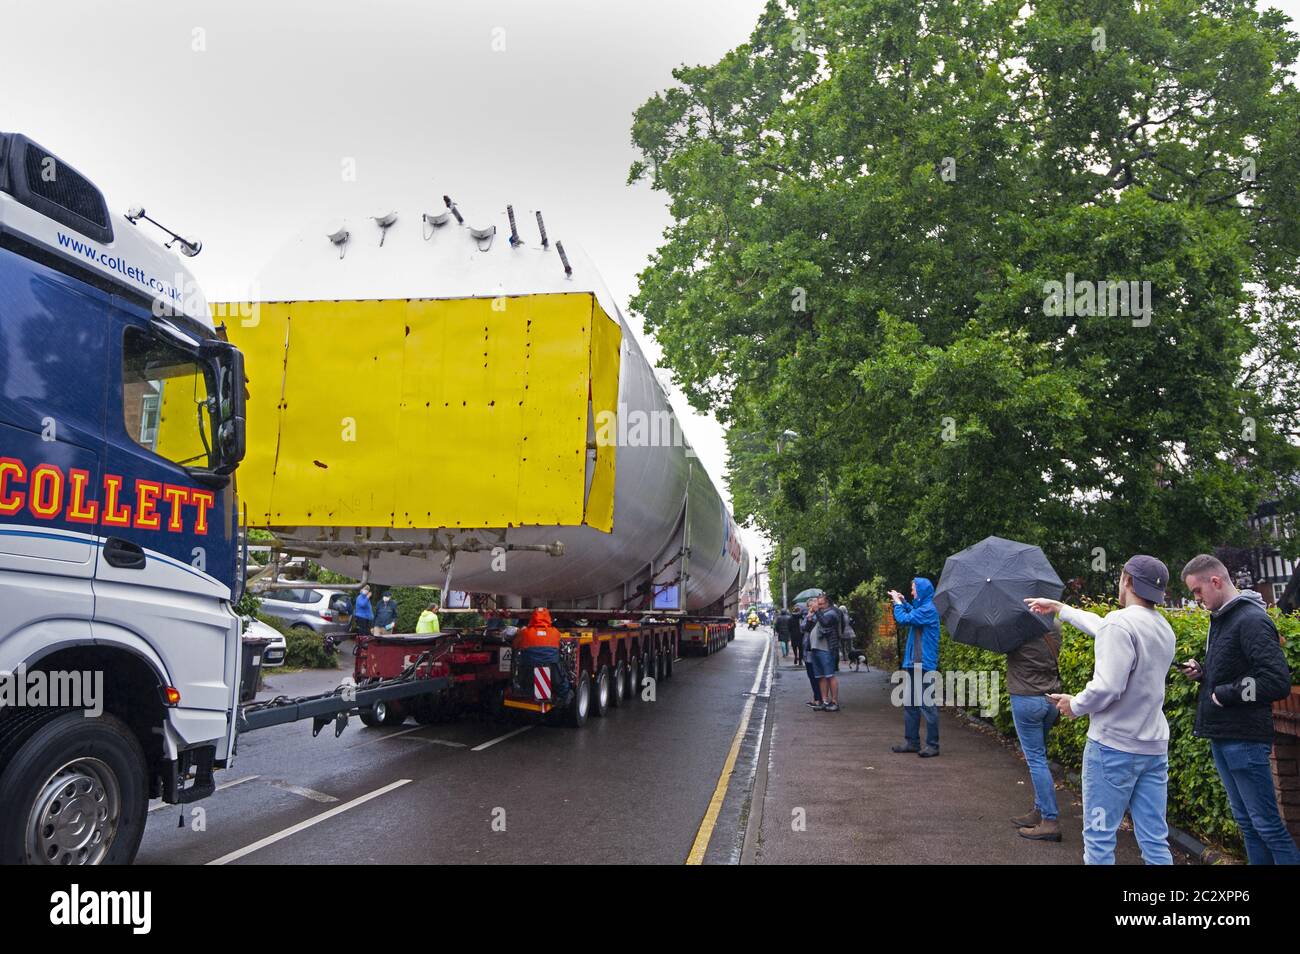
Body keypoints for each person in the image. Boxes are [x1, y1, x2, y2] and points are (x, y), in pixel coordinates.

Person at [1026, 555, 1177, 865]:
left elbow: (1108, 686)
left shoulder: (1119, 624)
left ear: (1127, 581)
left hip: (1112, 749)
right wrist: (1060, 608)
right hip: (1153, 748)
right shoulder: (1163, 627)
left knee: (1099, 837)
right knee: (1154, 840)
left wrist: (1075, 704)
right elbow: (1104, 627)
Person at [1180, 554, 1299, 864]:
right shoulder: (1224, 618)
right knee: (1249, 825)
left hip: (1244, 739)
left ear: (1216, 581)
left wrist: (1226, 693)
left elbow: (1275, 681)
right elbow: (1235, 670)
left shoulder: (1251, 619)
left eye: (1197, 591)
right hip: (1225, 736)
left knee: (1267, 826)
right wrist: (1203, 672)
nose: (1196, 599)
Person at [1007, 617, 1063, 841]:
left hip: (1027, 699)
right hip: (1050, 700)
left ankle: (1049, 820)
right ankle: (1039, 811)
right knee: (1041, 756)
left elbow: (1001, 646)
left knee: (1036, 760)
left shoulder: (1017, 626)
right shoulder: (1056, 624)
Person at [889, 578, 941, 757]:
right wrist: (904, 602)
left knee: (927, 705)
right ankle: (912, 742)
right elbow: (913, 613)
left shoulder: (929, 609)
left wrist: (897, 603)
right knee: (910, 703)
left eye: (913, 589)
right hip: (914, 662)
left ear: (921, 590)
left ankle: (933, 745)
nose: (912, 592)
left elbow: (904, 619)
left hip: (923, 664)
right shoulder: (924, 608)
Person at [513, 607, 570, 703]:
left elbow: (515, 645)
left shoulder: (525, 632)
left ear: (532, 618)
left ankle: (526, 692)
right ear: (548, 618)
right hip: (553, 673)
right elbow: (560, 647)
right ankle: (563, 699)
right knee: (562, 677)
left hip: (528, 674)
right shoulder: (555, 632)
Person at [802, 593, 842, 711]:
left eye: (821, 604)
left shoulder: (832, 613)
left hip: (826, 648)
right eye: (818, 604)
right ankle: (824, 700)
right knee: (821, 677)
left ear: (827, 603)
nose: (818, 606)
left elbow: (825, 622)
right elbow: (807, 629)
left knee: (830, 675)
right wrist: (809, 618)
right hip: (815, 648)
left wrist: (816, 611)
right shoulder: (820, 614)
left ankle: (834, 702)